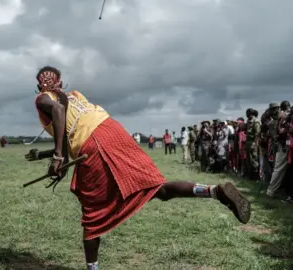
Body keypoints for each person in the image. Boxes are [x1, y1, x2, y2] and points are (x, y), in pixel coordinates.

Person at [28, 66, 251, 270]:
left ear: (40, 86)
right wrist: (53, 156)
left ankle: (92, 268)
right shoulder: (75, 96)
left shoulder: (42, 99)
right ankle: (215, 191)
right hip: (112, 130)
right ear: (61, 82)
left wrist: (57, 156)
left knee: (92, 213)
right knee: (156, 188)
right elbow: (70, 129)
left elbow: (58, 111)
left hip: (93, 142)